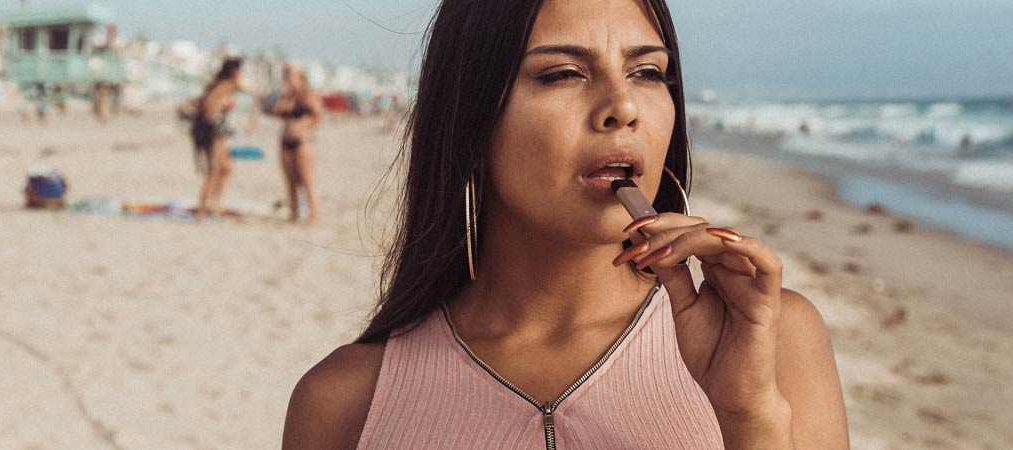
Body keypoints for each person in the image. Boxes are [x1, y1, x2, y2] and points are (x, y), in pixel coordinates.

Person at [282, 0, 848, 449]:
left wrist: (749, 417)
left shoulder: (772, 339)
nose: (622, 106)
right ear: (471, 120)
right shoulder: (343, 403)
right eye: (562, 73)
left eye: (647, 72)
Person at [265, 64, 325, 225]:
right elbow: (274, 111)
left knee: (307, 180)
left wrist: (302, 125)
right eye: (285, 75)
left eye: (290, 75)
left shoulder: (308, 96)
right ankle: (294, 214)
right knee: (290, 181)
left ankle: (313, 215)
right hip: (285, 141)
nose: (287, 78)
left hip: (303, 142)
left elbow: (319, 118)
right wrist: (283, 96)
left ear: (299, 76)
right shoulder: (286, 97)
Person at [191, 57, 245, 223]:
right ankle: (203, 210)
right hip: (213, 132)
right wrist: (220, 110)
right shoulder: (225, 86)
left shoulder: (219, 84)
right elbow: (208, 107)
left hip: (214, 132)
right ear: (235, 72)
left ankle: (214, 205)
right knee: (214, 172)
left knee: (226, 167)